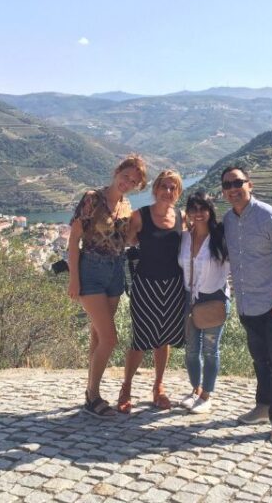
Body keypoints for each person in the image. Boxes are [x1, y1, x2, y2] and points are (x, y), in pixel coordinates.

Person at [221, 166, 272, 444]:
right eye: (228, 185)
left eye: (238, 183)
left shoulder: (269, 216)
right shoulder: (228, 220)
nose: (233, 188)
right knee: (260, 360)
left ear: (249, 185)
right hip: (247, 304)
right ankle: (263, 406)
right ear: (223, 192)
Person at [68, 155, 147, 417]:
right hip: (90, 270)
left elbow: (125, 241)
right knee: (110, 338)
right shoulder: (92, 198)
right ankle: (93, 396)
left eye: (134, 181)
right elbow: (74, 241)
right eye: (126, 176)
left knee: (98, 336)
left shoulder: (126, 206)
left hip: (115, 271)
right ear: (117, 172)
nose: (128, 182)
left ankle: (91, 391)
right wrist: (74, 279)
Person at [117, 169, 186, 413]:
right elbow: (126, 241)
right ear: (155, 189)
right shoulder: (140, 216)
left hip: (174, 286)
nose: (168, 191)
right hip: (145, 285)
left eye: (173, 188)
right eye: (164, 186)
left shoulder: (182, 216)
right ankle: (126, 388)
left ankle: (158, 387)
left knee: (164, 338)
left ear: (178, 193)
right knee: (140, 339)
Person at [177, 191, 231, 415]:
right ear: (188, 212)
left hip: (213, 299)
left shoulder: (221, 237)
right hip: (189, 299)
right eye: (193, 209)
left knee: (210, 350)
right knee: (191, 351)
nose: (198, 213)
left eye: (203, 208)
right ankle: (195, 389)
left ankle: (207, 395)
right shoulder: (185, 237)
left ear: (210, 211)